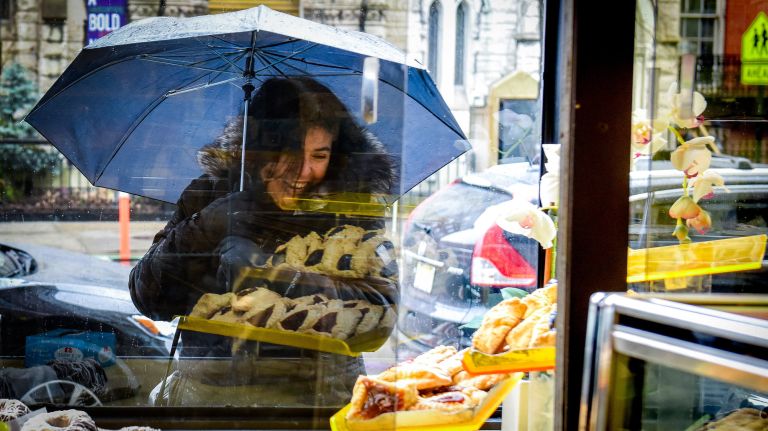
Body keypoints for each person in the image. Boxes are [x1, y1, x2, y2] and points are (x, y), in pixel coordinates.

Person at [128, 77, 397, 408]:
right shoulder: (208, 194)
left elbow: (378, 314)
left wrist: (276, 276)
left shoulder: (350, 207)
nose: (304, 171)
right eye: (289, 153)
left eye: (319, 154)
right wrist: (208, 226)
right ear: (258, 149)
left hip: (314, 405)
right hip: (210, 404)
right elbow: (148, 295)